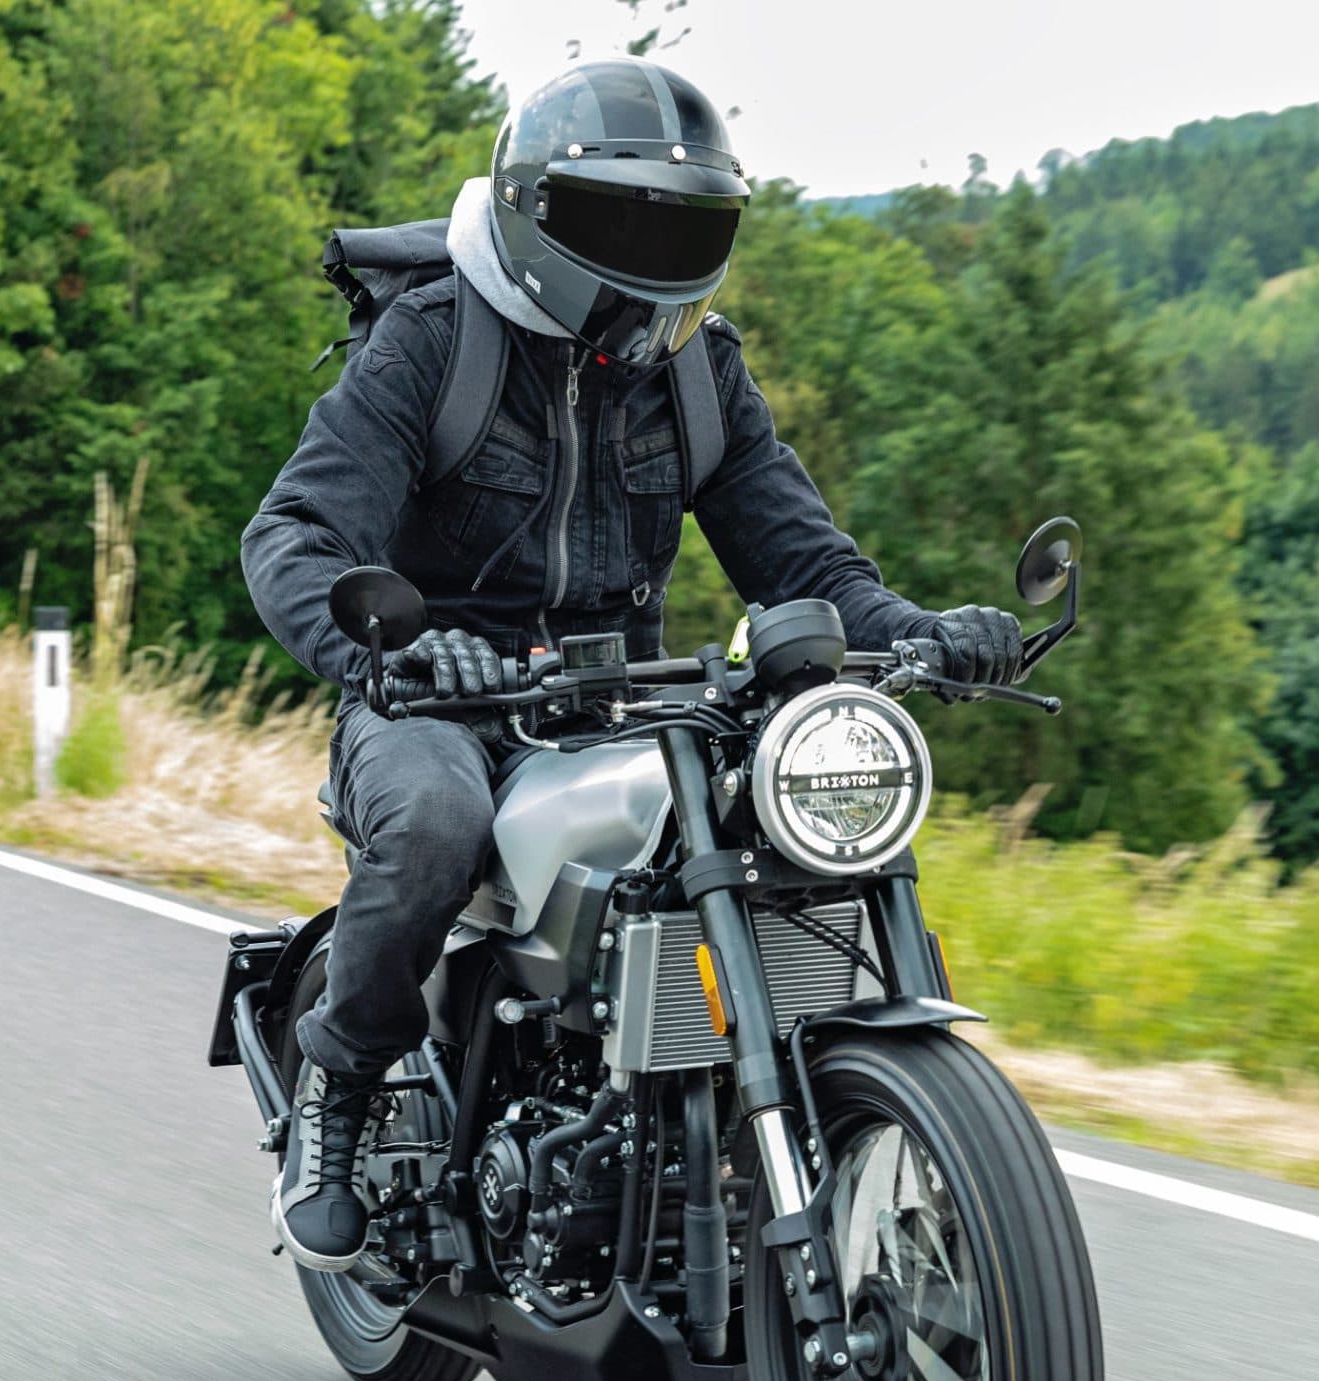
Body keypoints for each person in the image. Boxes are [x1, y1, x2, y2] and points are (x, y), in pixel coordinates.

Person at [241, 58, 1029, 1269]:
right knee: (439, 821)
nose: (656, 257)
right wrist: (387, 648)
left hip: (622, 706)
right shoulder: (430, 341)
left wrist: (917, 634)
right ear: (539, 215)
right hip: (435, 697)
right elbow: (292, 537)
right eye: (623, 222)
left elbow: (803, 562)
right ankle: (339, 1092)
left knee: (791, 810)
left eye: (686, 227)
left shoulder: (699, 371)